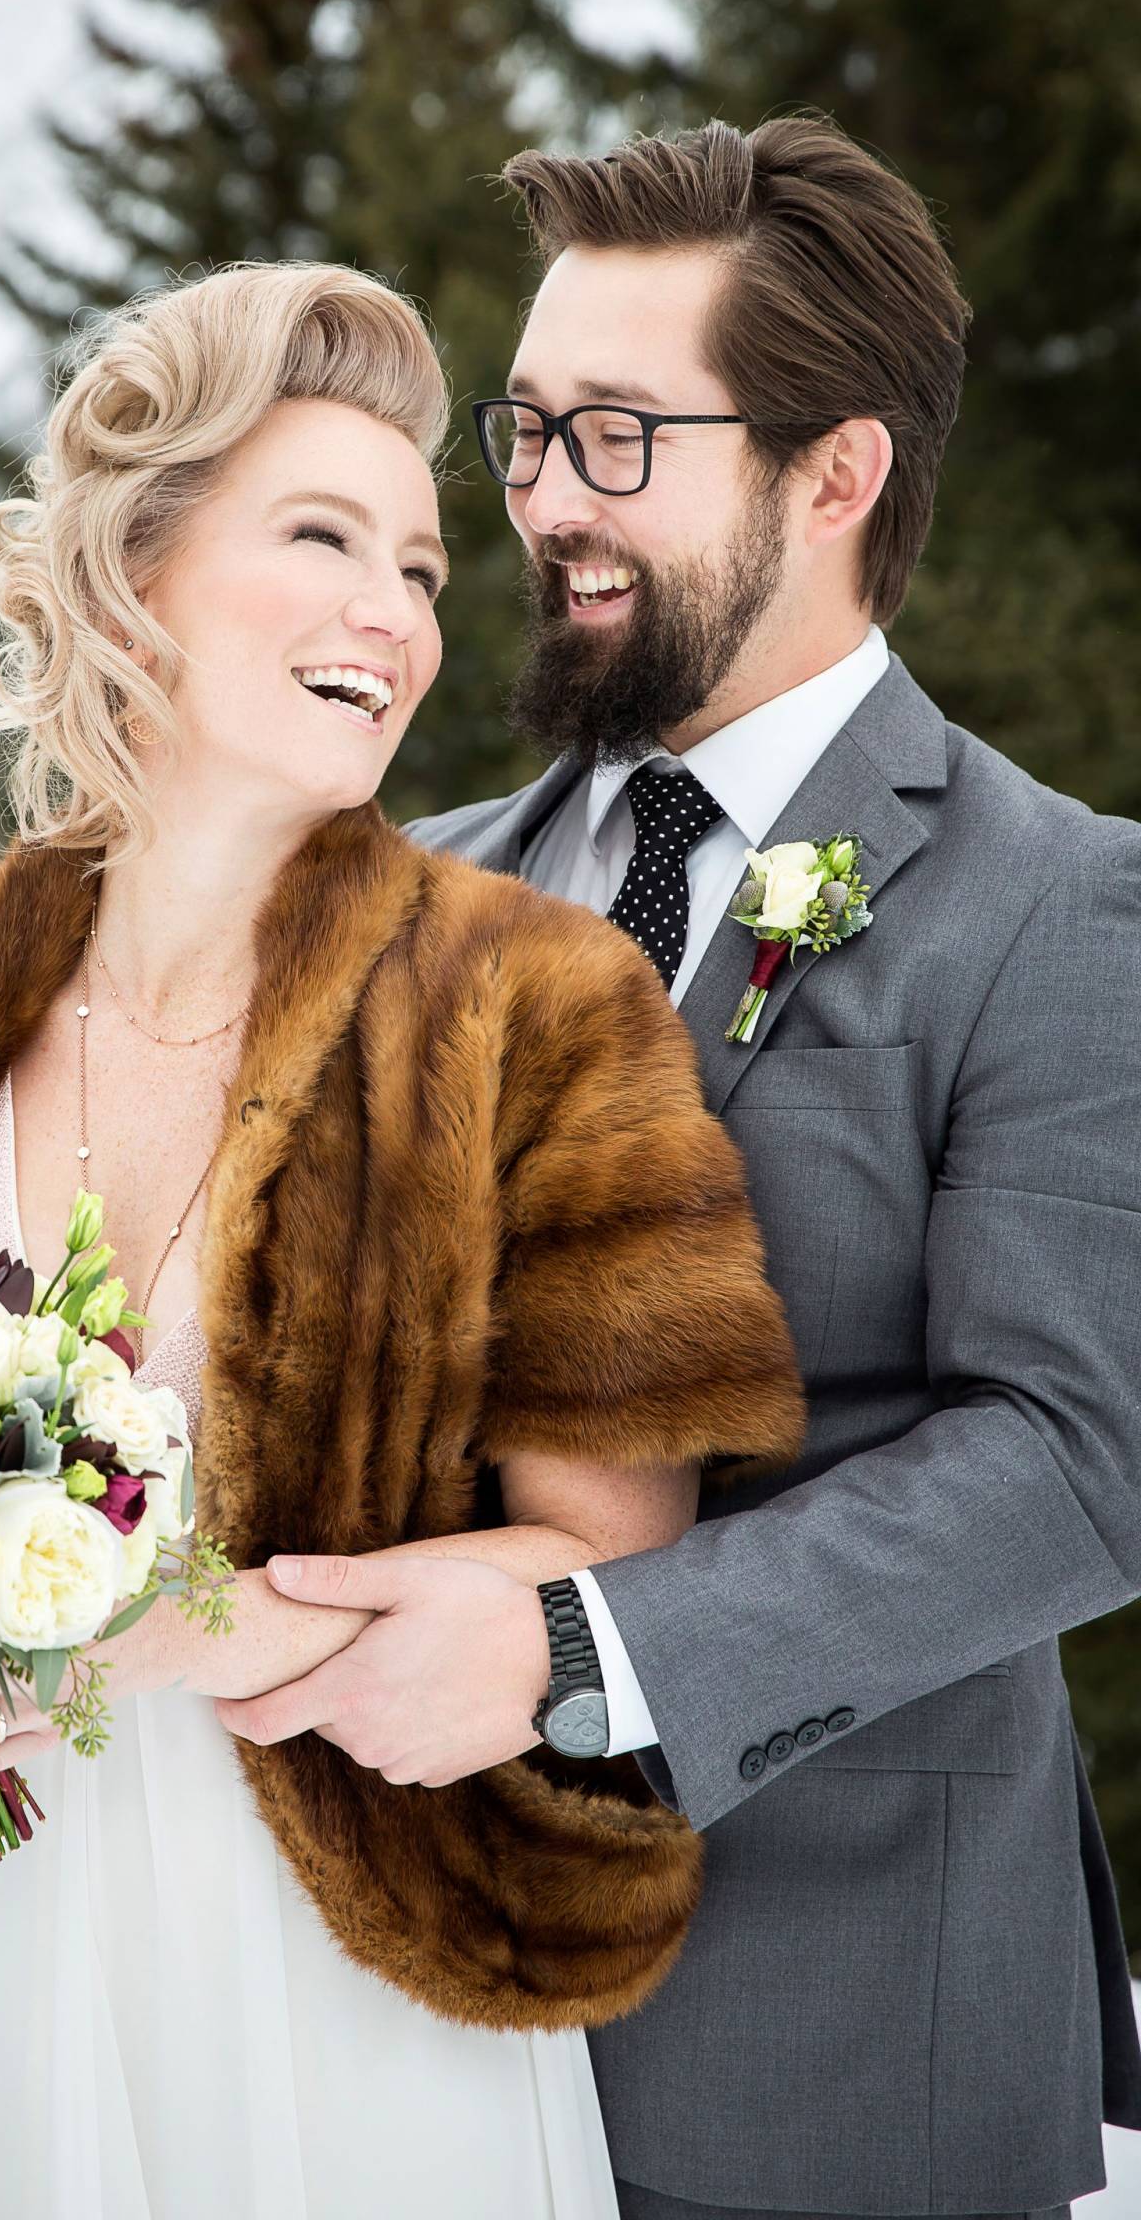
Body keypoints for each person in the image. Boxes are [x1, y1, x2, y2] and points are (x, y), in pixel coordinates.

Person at [0, 259, 804, 2220]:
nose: (396, 612)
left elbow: (616, 1558)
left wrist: (212, 1622)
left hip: (337, 1973)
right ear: (133, 572)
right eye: (323, 536)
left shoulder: (530, 1008)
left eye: (425, 572)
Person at [214, 118, 1141, 2220]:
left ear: (834, 476)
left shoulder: (1055, 904)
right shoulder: (389, 888)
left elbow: (1081, 1462)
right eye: (523, 429)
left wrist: (573, 1652)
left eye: (616, 435)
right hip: (372, 2052)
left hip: (823, 2059)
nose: (537, 499)